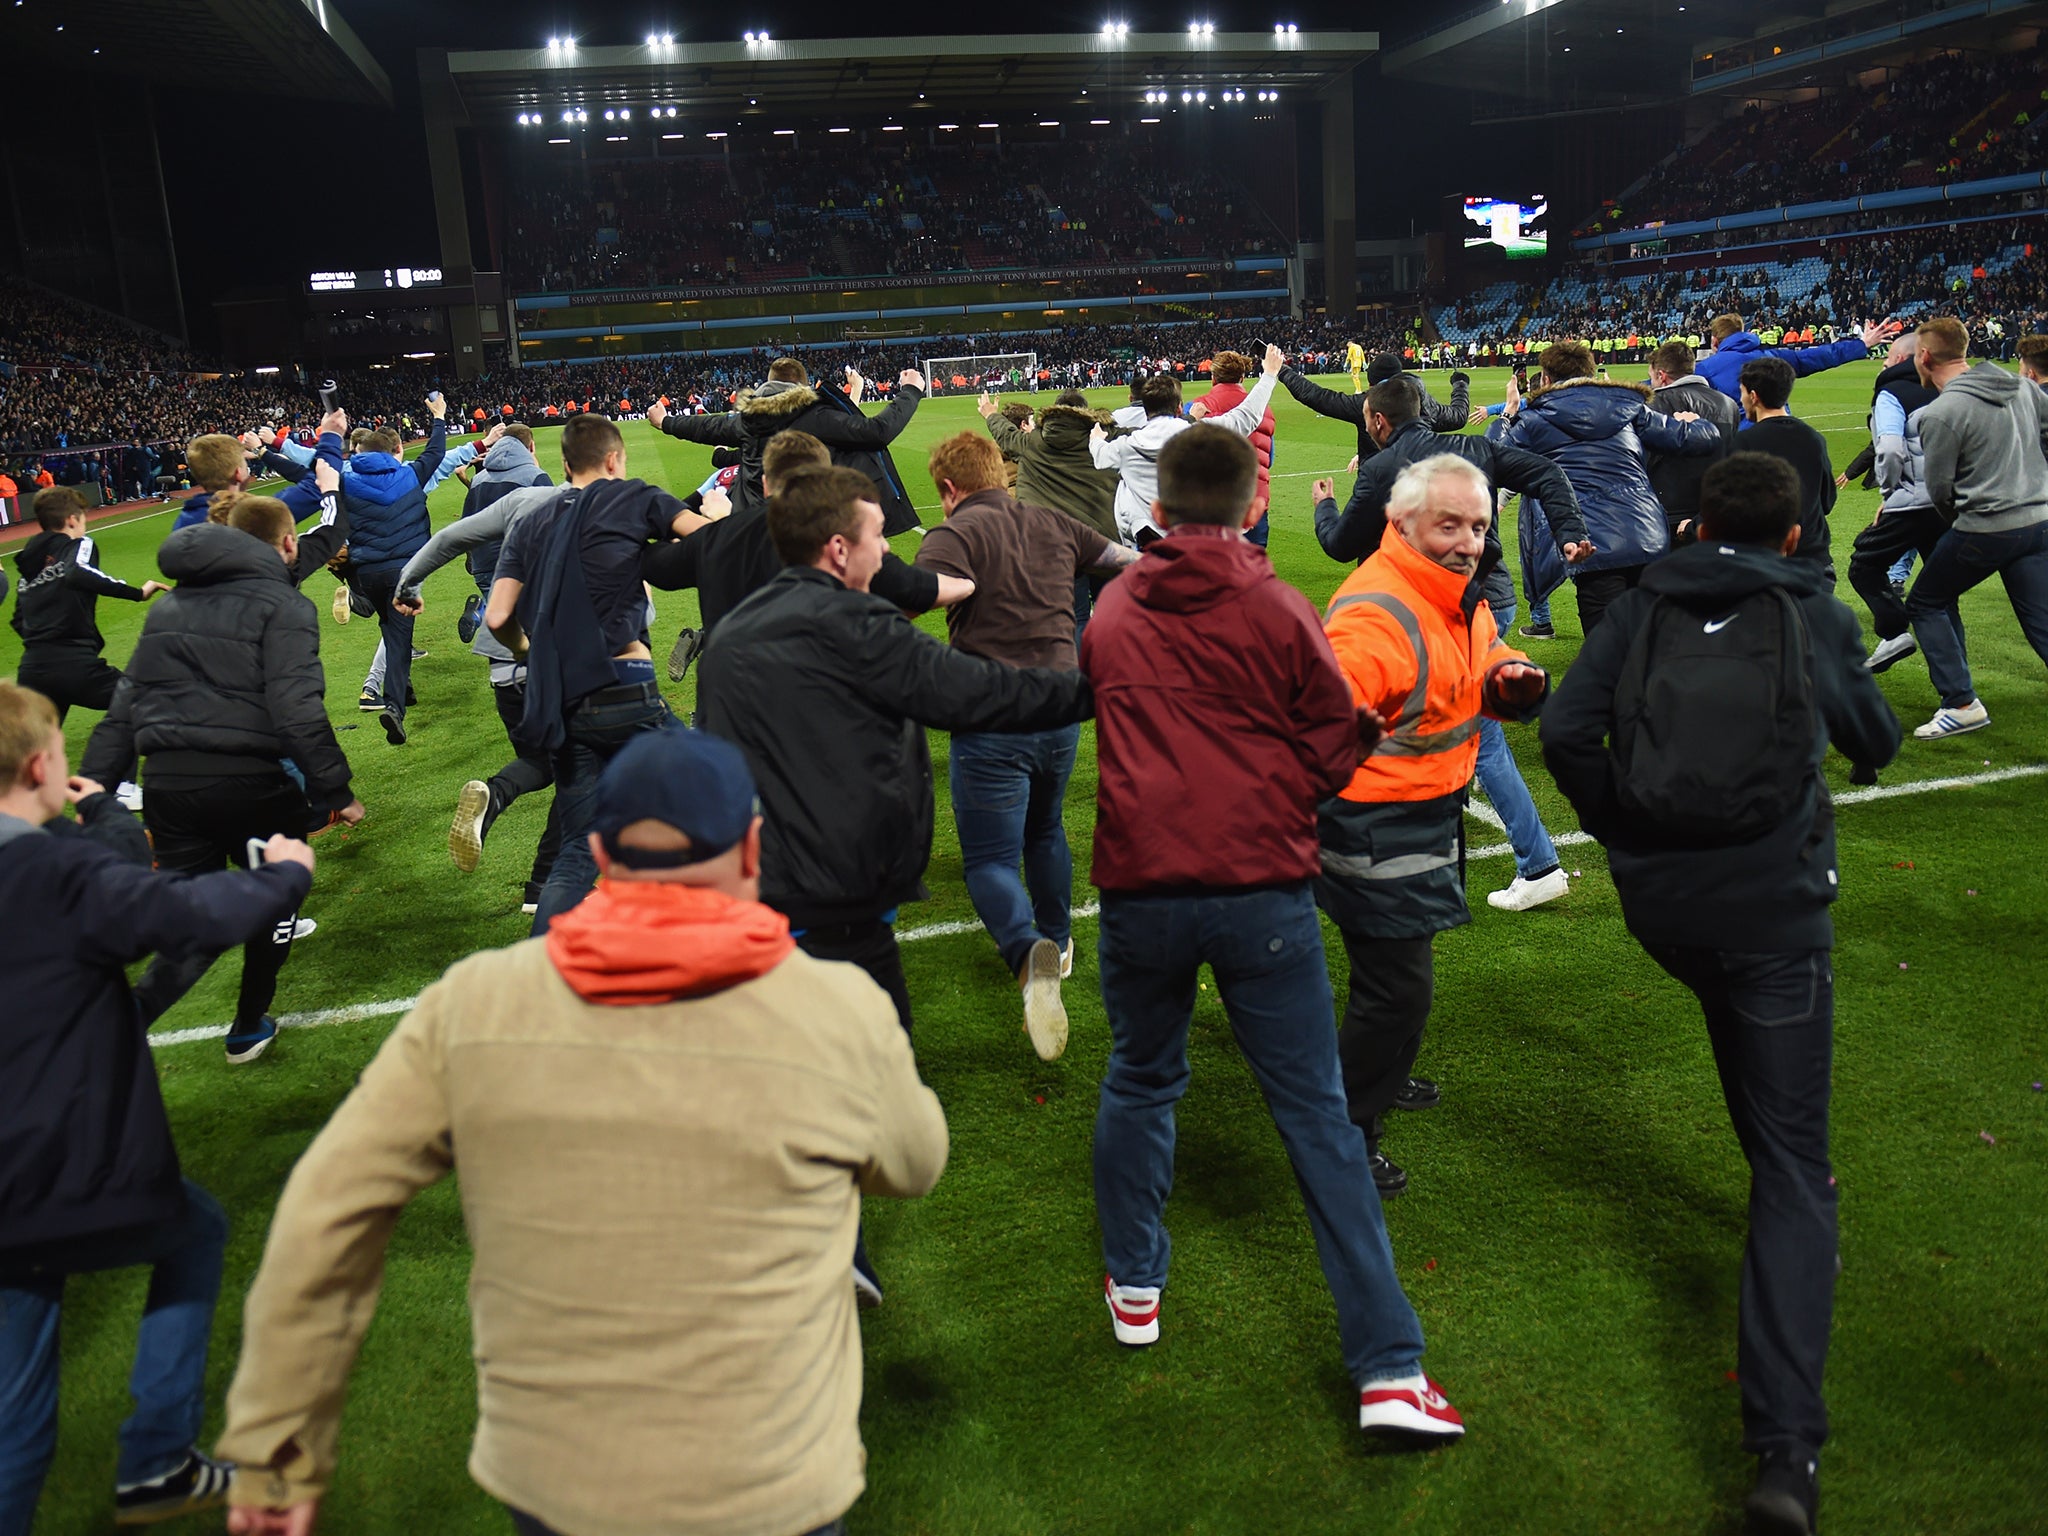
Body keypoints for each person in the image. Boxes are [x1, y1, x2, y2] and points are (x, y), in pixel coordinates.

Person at [216, 728, 949, 1536]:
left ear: (598, 851)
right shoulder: (833, 1009)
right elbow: (915, 1161)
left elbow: (328, 1210)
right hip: (770, 1471)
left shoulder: (473, 1007)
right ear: (750, 847)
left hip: (561, 1477)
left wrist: (276, 1443)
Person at [1539, 452, 1901, 1536]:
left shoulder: (1644, 599)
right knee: (1796, 1169)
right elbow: (1871, 741)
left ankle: (1772, 1173)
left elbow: (1563, 731)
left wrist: (1635, 839)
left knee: (1748, 1054)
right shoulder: (1807, 606)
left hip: (1668, 916)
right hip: (1770, 914)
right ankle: (1783, 1457)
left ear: (1693, 525)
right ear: (1791, 536)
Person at [1082, 424, 1464, 1441]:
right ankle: (1386, 1369)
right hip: (1256, 885)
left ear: (1158, 508)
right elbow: (1332, 752)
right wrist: (1355, 743)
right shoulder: (1276, 606)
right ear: (1250, 505)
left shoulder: (1114, 606)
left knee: (1140, 1075)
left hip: (1141, 885)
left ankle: (1134, 1287)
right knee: (1315, 1120)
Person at [0, 681, 314, 1531]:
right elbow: (176, 912)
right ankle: (157, 1459)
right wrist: (285, 878)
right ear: (40, 765)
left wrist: (100, 814)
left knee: (17, 1392)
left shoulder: (54, 862)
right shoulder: (50, 871)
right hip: (63, 1160)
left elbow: (92, 872)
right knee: (196, 1229)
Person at [698, 465, 1092, 1046]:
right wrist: (1099, 689)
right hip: (845, 897)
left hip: (764, 895)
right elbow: (981, 693)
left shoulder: (729, 639)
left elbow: (715, 773)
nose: (886, 549)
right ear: (838, 549)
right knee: (882, 1072)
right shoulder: (864, 628)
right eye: (877, 535)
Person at [1317, 455, 1549, 1195]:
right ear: (1400, 522)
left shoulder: (1453, 591)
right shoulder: (1372, 612)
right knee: (1400, 989)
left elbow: (1483, 652)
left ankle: (1380, 1080)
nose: (1468, 540)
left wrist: (1510, 674)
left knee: (1392, 978)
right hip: (1375, 819)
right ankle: (1345, 1135)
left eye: (1478, 525)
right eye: (1449, 523)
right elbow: (1316, 728)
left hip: (1425, 805)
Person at [78, 489, 362, 1060]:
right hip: (250, 787)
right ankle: (248, 1022)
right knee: (274, 901)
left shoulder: (170, 606)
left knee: (195, 920)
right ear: (288, 543)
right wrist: (336, 790)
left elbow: (126, 706)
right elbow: (296, 710)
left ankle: (122, 1023)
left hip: (168, 788)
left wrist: (94, 788)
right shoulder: (283, 605)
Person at [912, 432, 1138, 1057]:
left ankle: (1025, 947)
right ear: (1001, 475)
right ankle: (1060, 941)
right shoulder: (1052, 522)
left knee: (988, 860)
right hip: (1061, 707)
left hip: (991, 714)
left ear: (949, 490)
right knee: (1045, 829)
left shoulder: (952, 537)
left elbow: (906, 600)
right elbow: (1125, 561)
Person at [485, 413, 717, 933]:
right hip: (625, 684)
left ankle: (546, 976)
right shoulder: (634, 496)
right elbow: (709, 544)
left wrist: (527, 648)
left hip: (563, 698)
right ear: (614, 459)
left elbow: (498, 617)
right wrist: (718, 515)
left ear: (565, 465)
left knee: (576, 852)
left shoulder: (532, 521)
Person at [395, 474, 566, 909]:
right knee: (582, 774)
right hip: (554, 661)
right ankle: (544, 886)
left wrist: (409, 582)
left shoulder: (521, 499)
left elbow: (451, 537)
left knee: (542, 761)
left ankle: (493, 799)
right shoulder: (609, 506)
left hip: (502, 661)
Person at [639, 430, 963, 650]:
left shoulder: (719, 536)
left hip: (735, 714)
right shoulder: (845, 539)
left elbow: (655, 566)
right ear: (826, 478)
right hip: (818, 714)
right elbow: (921, 590)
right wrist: (972, 582)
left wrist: (705, 525)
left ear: (766, 484)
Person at [1505, 340, 1721, 634]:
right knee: (1647, 644)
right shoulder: (1629, 408)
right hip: (1647, 534)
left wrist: (1508, 415)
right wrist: (1696, 424)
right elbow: (1699, 439)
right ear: (1591, 374)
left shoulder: (1535, 419)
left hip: (1593, 545)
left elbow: (1488, 459)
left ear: (1545, 379)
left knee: (1609, 655)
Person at [1902, 315, 2048, 739]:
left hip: (1988, 527)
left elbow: (1942, 491)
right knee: (2040, 616)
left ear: (1925, 356)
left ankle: (1961, 702)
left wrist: (1966, 522)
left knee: (1926, 601)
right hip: (2039, 520)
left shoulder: (1941, 413)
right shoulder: (2024, 387)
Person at [335, 395, 448, 744]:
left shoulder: (346, 479)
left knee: (385, 623)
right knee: (398, 640)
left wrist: (269, 450)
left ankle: (356, 600)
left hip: (366, 572)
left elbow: (309, 469)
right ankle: (394, 707)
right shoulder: (409, 475)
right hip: (404, 572)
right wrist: (439, 418)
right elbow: (435, 453)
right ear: (393, 450)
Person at [1089, 344, 1282, 548]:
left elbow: (1100, 456)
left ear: (1145, 409)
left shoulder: (1125, 446)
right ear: (1179, 406)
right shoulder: (1197, 434)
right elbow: (1246, 416)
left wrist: (1096, 439)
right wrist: (1269, 374)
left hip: (1148, 544)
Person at [10, 486, 168, 722]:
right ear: (72, 520)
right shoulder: (78, 545)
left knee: (32, 748)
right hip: (74, 665)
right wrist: (138, 593)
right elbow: (77, 572)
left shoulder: (29, 567)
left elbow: (18, 620)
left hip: (33, 669)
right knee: (150, 701)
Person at [977, 389, 1120, 642]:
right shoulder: (1105, 442)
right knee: (1112, 612)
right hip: (1103, 540)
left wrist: (990, 413)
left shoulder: (1035, 443)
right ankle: (1113, 672)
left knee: (1076, 617)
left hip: (1062, 546)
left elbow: (1006, 435)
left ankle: (1079, 676)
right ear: (1086, 413)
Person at [1848, 338, 1946, 676]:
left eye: (1887, 359)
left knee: (1863, 565)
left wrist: (1890, 495)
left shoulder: (1891, 393)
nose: (1883, 365)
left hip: (1912, 501)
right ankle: (1958, 692)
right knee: (1942, 595)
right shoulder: (1946, 390)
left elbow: (1889, 449)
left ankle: (1894, 632)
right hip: (1950, 502)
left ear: (1902, 358)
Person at [1736, 360, 1837, 580]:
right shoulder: (1814, 439)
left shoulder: (1743, 443)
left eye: (1742, 393)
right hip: (1815, 561)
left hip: (1766, 564)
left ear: (1753, 396)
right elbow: (1827, 500)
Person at [1646, 339, 1738, 545]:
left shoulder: (1653, 405)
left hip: (1667, 513)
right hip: (1712, 512)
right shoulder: (1727, 404)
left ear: (1661, 375)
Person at [1696, 313, 1891, 402]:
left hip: (1734, 446)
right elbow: (1821, 355)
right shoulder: (1772, 357)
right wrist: (1861, 344)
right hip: (1779, 438)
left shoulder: (1704, 369)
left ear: (1714, 341)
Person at [1196, 352, 1279, 550]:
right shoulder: (1264, 409)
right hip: (1254, 502)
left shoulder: (1197, 408)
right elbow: (1270, 457)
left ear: (1213, 378)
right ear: (1242, 377)